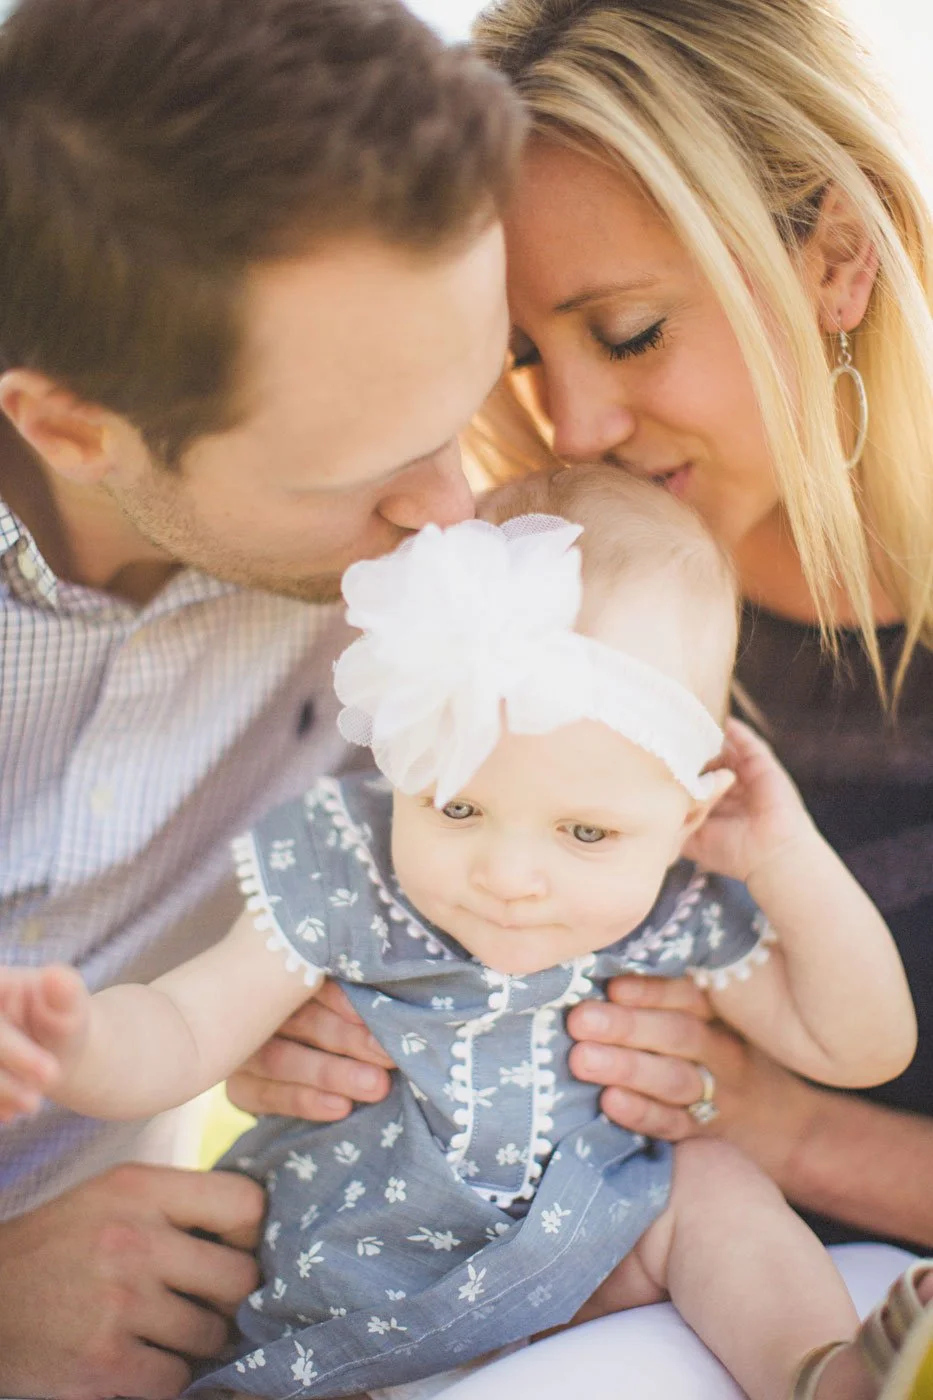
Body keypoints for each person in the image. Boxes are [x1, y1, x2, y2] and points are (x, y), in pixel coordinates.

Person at [283, 0, 933, 1391]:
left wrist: (792, 1129)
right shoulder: (549, 597)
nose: (571, 426)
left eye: (629, 332)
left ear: (836, 257)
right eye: (525, 356)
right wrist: (325, 1044)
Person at [0, 465, 923, 1400]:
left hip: (593, 1260)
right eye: (458, 806)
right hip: (348, 1293)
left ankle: (817, 1372)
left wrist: (786, 856)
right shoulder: (348, 869)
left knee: (709, 1186)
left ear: (689, 818)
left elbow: (861, 1048)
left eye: (586, 833)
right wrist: (77, 1038)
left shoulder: (676, 903)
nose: (510, 878)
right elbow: (185, 1030)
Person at [0, 0, 526, 1394]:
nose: (452, 514)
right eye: (362, 474)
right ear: (70, 427)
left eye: (470, 405)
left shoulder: (385, 565)